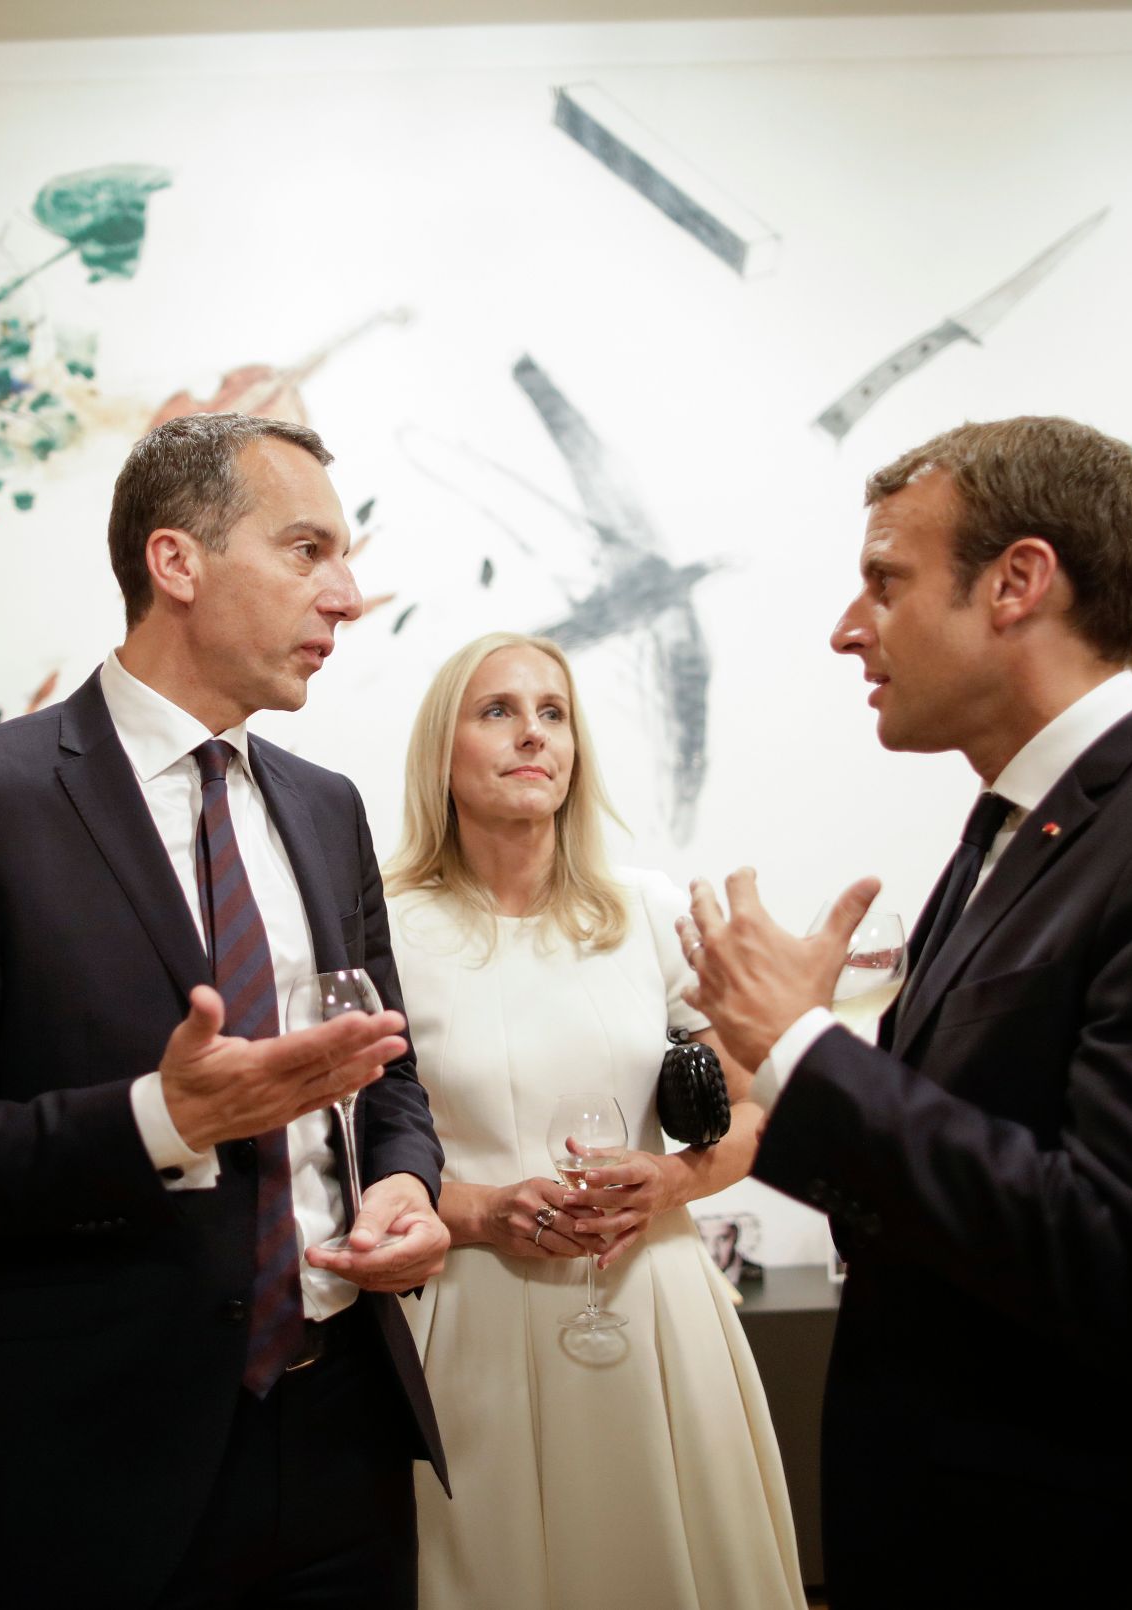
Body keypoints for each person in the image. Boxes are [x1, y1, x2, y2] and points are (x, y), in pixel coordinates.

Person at [681, 417, 1132, 1609]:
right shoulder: (1009, 828)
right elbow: (967, 1168)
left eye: (883, 581)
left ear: (1016, 583)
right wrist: (777, 1080)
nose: (847, 628)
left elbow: (1129, 1267)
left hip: (1106, 1558)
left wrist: (807, 1049)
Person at [0, 413, 450, 1609]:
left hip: (345, 1430)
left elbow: (393, 1078)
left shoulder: (326, 809)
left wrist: (407, 1183)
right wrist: (157, 1119)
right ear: (176, 562)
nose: (348, 594)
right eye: (307, 549)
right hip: (94, 1457)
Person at [381, 631, 807, 1610]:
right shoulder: (387, 926)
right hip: (463, 1312)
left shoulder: (646, 913)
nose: (532, 733)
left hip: (648, 1302)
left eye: (552, 712)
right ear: (439, 749)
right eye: (497, 711)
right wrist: (482, 1209)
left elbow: (751, 1105)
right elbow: (341, 1148)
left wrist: (673, 1180)